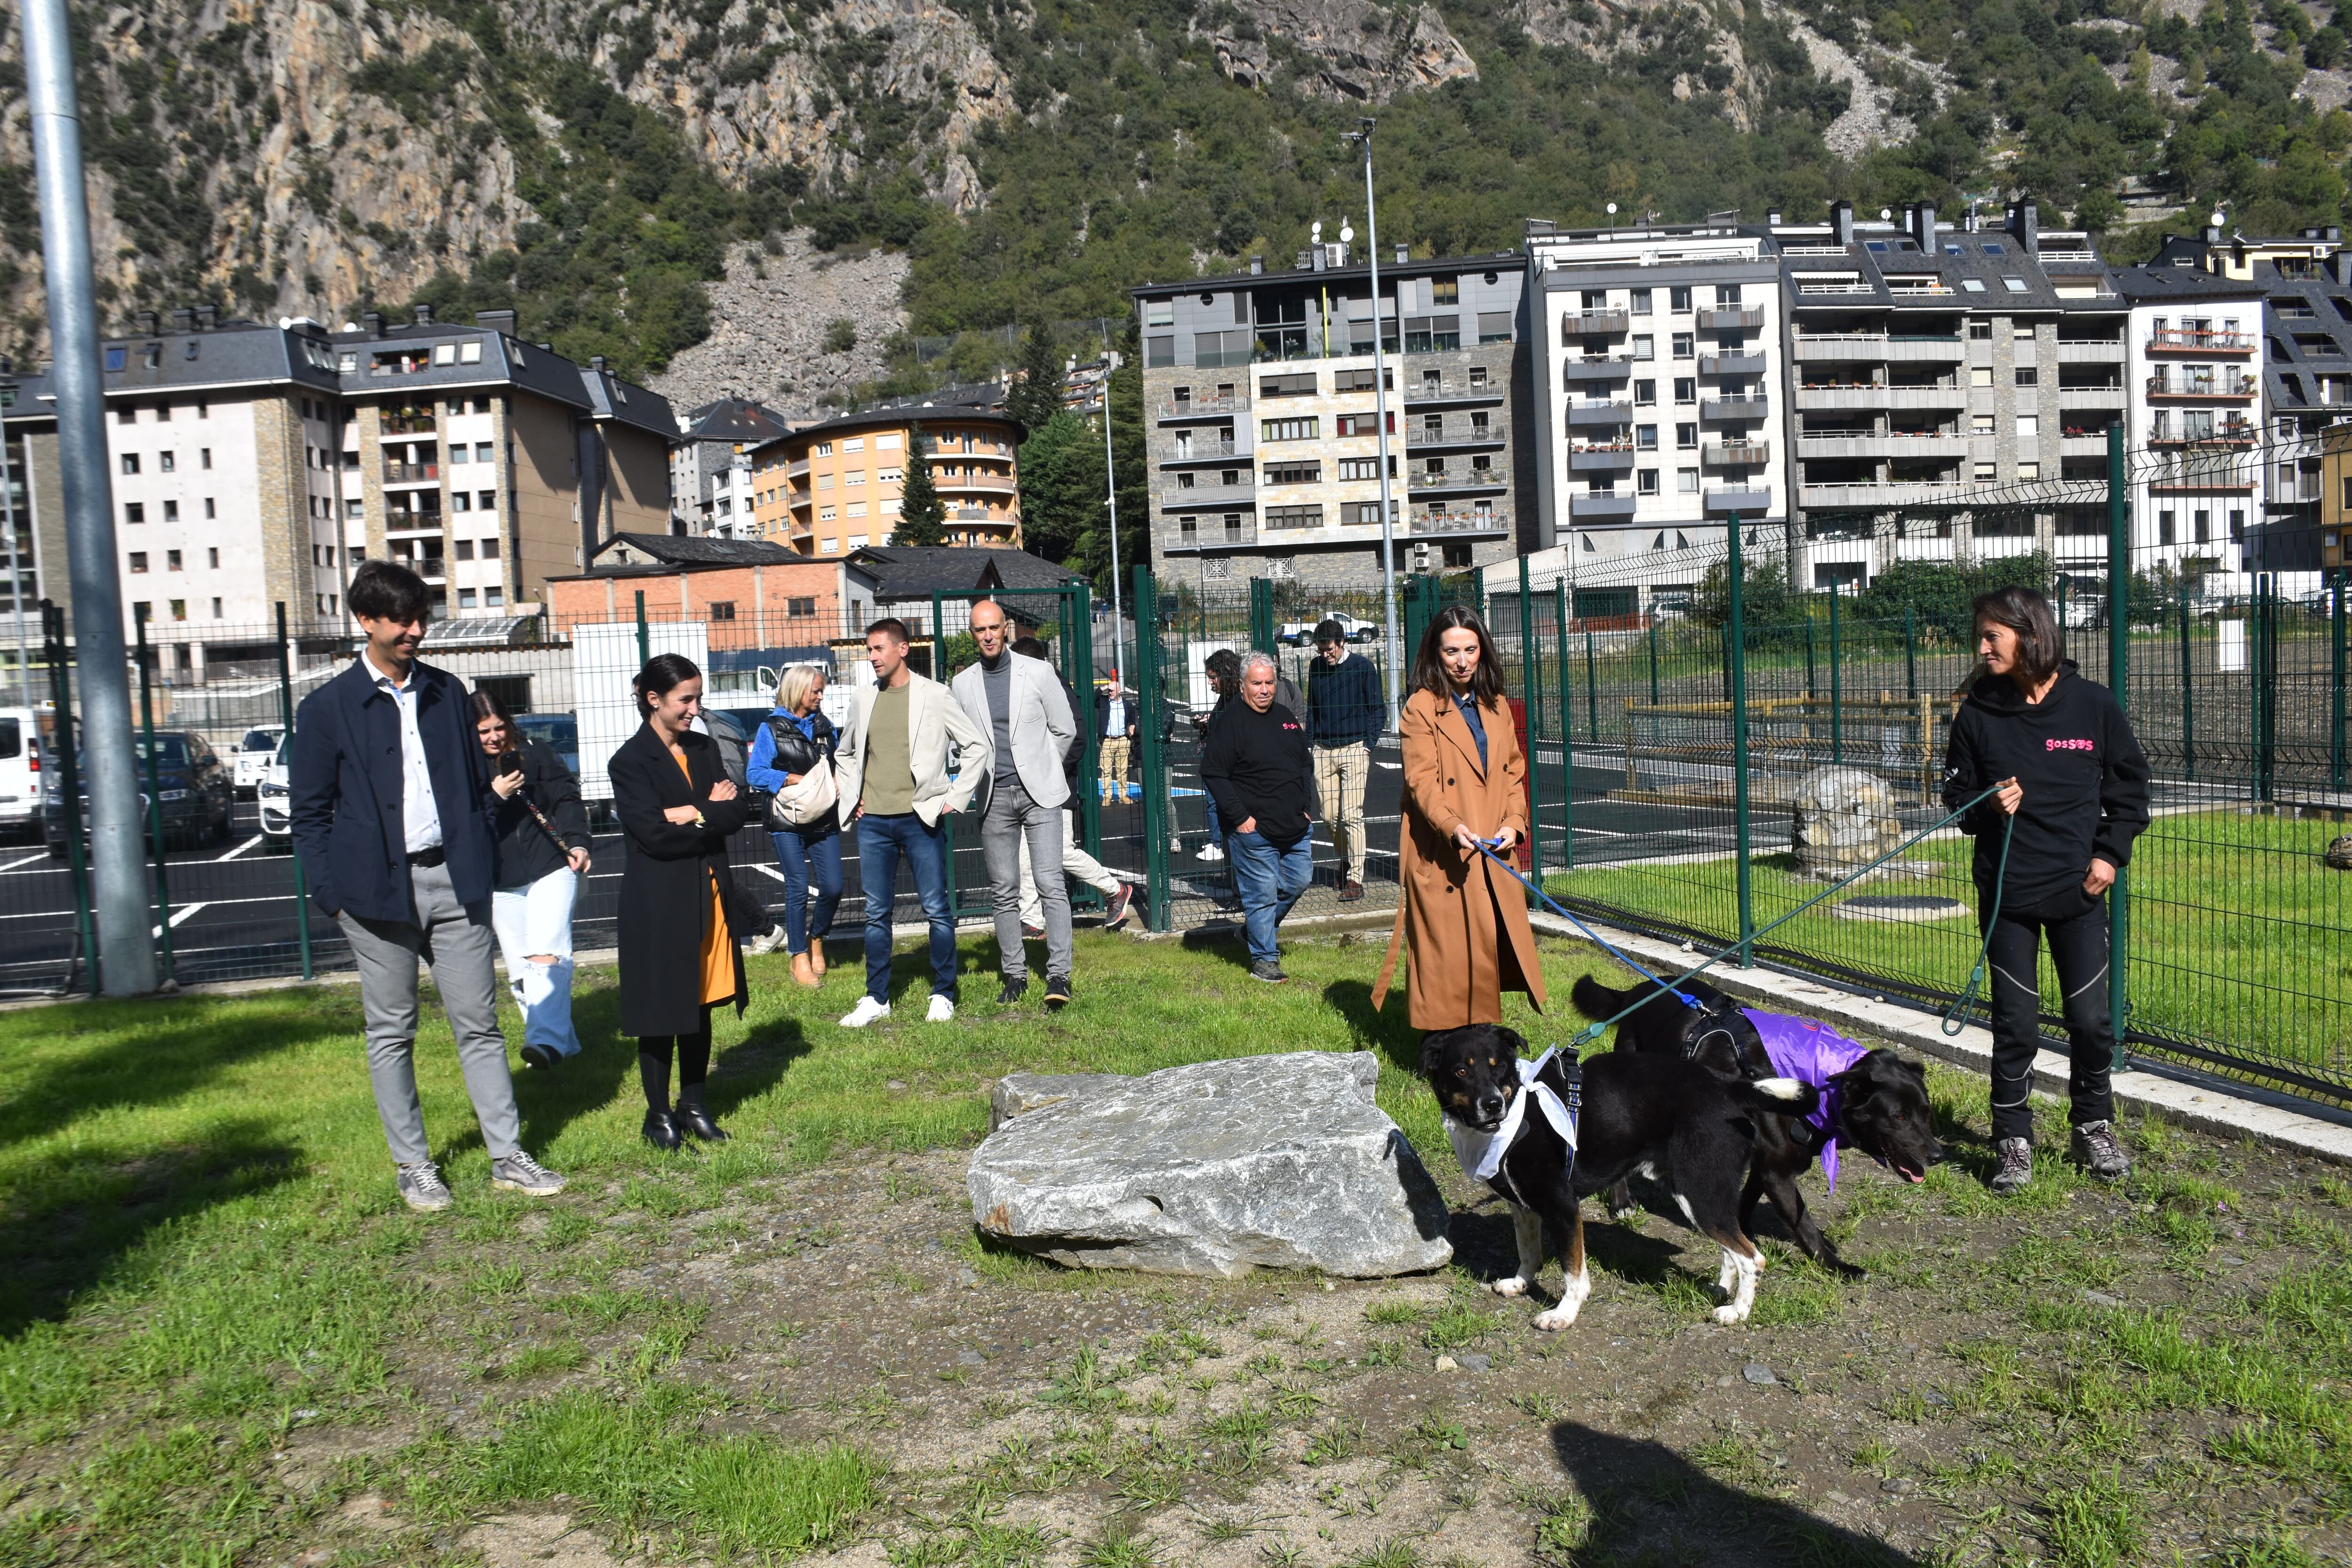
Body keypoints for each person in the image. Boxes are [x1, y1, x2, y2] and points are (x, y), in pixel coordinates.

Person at [289, 559, 565, 1211]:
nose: (416, 630)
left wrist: (480, 855)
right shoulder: (328, 708)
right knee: (392, 1031)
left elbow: (476, 789)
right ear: (367, 622)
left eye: (421, 618)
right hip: (373, 894)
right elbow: (310, 814)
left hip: (457, 883)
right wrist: (332, 893)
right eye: (402, 621)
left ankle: (508, 1156)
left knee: (480, 1025)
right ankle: (413, 1165)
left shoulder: (447, 693)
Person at [1943, 584, 2150, 1193]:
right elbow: (1956, 798)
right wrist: (1986, 805)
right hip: (2008, 894)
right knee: (2017, 1024)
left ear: (2030, 636)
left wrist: (2110, 857)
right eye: (1980, 637)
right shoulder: (1978, 713)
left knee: (2090, 1022)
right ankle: (2013, 1140)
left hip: (2078, 892)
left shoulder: (2093, 705)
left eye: (1992, 636)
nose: (1982, 648)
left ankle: (2093, 1125)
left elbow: (2130, 790)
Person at [1373, 604, 1545, 1030]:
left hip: (1494, 846)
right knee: (1445, 961)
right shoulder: (1420, 708)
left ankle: (1483, 1044)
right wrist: (1452, 827)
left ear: (1483, 650)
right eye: (1452, 651)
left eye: (1471, 649)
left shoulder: (1497, 704)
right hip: (1443, 851)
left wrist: (1514, 823)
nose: (1463, 661)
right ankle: (1440, 1050)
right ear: (1435, 653)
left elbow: (1513, 773)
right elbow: (1422, 782)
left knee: (1487, 949)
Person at [610, 653, 751, 1150]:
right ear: (654, 699)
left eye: (698, 698)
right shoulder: (629, 762)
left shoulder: (704, 747)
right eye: (685, 699)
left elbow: (737, 810)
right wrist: (708, 812)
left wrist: (691, 812)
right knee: (661, 1012)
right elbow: (652, 835)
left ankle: (693, 1106)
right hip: (659, 903)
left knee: (701, 1006)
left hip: (707, 893)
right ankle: (657, 1115)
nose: (695, 709)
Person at [833, 617, 992, 1027]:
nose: (871, 658)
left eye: (877, 649)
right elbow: (845, 753)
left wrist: (954, 798)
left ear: (902, 649)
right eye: (868, 650)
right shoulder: (863, 698)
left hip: (922, 818)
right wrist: (853, 798)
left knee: (937, 910)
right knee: (876, 913)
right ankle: (876, 997)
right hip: (874, 824)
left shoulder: (935, 695)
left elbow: (975, 746)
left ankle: (943, 993)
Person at [952, 600, 1078, 1008]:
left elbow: (1065, 729)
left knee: (1050, 883)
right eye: (979, 630)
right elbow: (962, 743)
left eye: (993, 627)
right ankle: (1015, 975)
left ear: (1006, 628)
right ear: (972, 634)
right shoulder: (963, 684)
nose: (987, 636)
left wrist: (1042, 768)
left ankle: (1059, 973)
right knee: (1004, 891)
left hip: (1039, 794)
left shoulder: (1038, 672)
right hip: (993, 797)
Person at [472, 690, 592, 1070]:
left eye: (499, 727)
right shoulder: (465, 770)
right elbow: (462, 823)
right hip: (500, 882)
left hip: (551, 868)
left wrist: (578, 843)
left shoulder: (537, 752)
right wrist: (494, 795)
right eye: (484, 731)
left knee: (547, 954)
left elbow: (567, 799)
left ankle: (543, 1042)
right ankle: (563, 1048)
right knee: (523, 974)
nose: (494, 737)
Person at [1012, 634, 1140, 933]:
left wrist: (1049, 770)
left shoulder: (1055, 686)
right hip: (1032, 785)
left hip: (1056, 787)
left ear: (1030, 662)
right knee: (1025, 854)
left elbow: (1077, 738)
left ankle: (1115, 891)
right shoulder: (1029, 686)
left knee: (1060, 851)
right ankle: (1031, 920)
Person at [1201, 651, 1315, 984]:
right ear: (1242, 685)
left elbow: (1304, 763)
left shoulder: (1286, 717)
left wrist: (1307, 807)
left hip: (1295, 824)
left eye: (1269, 682)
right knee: (1262, 892)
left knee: (1299, 880)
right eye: (1257, 683)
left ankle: (1254, 929)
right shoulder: (1229, 723)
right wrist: (1241, 818)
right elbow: (1213, 772)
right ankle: (1265, 959)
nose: (1264, 689)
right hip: (1253, 831)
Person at [745, 663, 842, 987]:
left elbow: (841, 762)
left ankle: (817, 937)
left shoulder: (825, 727)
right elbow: (754, 773)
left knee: (833, 887)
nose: (820, 696)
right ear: (797, 689)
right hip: (787, 817)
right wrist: (789, 777)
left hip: (823, 815)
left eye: (822, 691)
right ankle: (798, 957)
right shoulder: (770, 729)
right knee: (798, 885)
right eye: (815, 690)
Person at [1189, 647, 1303, 862]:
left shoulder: (1239, 706)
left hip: (1240, 788)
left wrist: (1305, 809)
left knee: (1223, 813)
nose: (1210, 682)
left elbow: (1304, 762)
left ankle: (1219, 847)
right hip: (1228, 780)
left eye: (1213, 677)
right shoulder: (1226, 701)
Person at [1306, 618, 1384, 902]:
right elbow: (1312, 709)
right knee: (1329, 817)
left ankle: (1355, 879)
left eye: (1328, 649)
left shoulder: (1363, 668)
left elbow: (1378, 709)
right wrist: (1309, 745)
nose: (1324, 654)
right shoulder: (1315, 668)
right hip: (1322, 750)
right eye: (1320, 650)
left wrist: (1368, 746)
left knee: (1352, 815)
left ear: (1342, 643)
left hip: (1354, 748)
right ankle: (1346, 860)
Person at [1097, 674, 1137, 805]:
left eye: (1113, 690)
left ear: (1119, 691)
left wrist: (1132, 727)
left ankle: (1122, 795)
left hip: (1122, 740)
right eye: (1109, 690)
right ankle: (1107, 797)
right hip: (1108, 740)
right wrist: (1103, 688)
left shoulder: (1128, 704)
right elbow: (1091, 699)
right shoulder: (1103, 702)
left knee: (1122, 770)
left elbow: (1132, 720)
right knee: (1106, 770)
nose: (1110, 693)